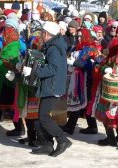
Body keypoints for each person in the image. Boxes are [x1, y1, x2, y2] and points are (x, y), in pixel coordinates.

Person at [22, 21, 72, 157]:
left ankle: (62, 140)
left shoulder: (54, 48)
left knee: (43, 117)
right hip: (51, 85)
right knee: (41, 116)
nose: (41, 36)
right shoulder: (54, 45)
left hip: (52, 86)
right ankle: (48, 145)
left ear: (46, 34)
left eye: (42, 33)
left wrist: (33, 71)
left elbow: (53, 68)